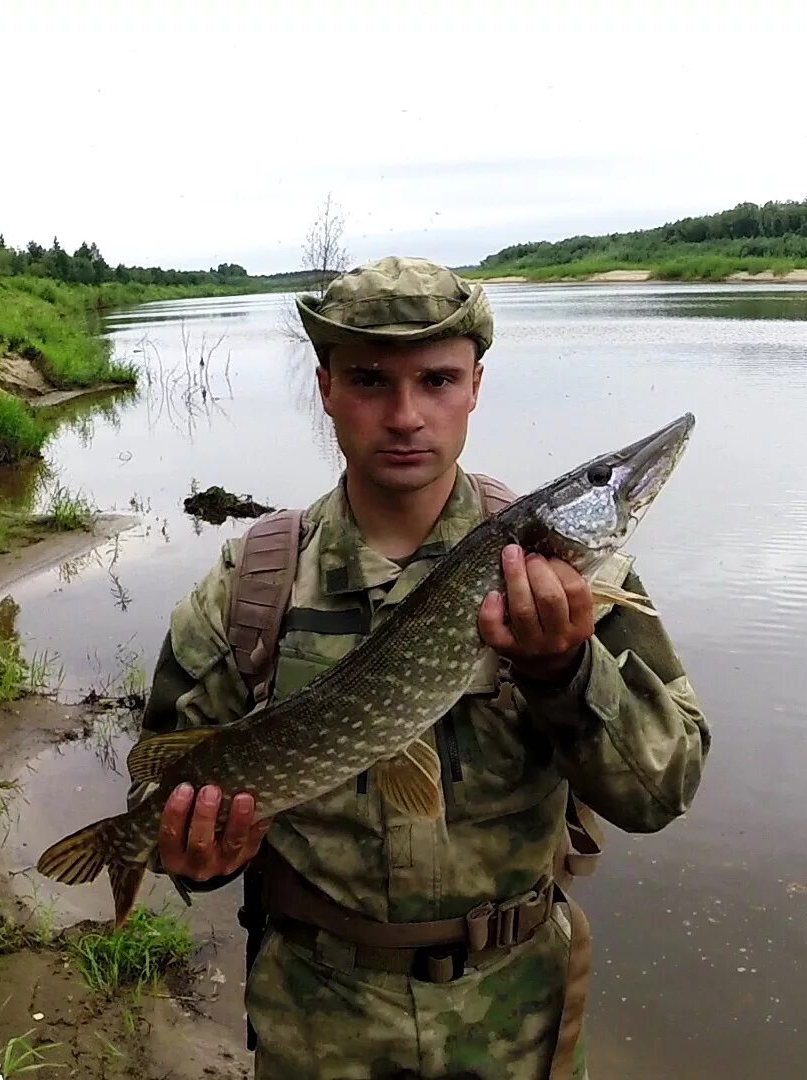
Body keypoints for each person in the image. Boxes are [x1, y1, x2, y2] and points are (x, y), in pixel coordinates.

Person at [132, 256, 710, 1079]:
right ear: (326, 386)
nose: (405, 416)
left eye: (436, 380)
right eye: (370, 380)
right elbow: (163, 794)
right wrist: (186, 856)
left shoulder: (581, 588)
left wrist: (565, 671)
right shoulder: (250, 587)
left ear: (476, 384)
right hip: (317, 1035)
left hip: (519, 1031)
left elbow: (665, 789)